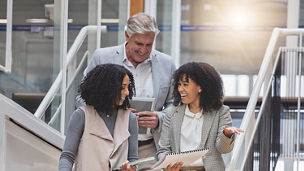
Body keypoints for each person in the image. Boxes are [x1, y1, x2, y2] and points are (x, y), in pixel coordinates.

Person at [77, 12, 176, 170]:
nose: (143, 50)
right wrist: (110, 110)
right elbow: (81, 98)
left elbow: (174, 104)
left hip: (148, 146)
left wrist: (160, 117)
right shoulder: (102, 57)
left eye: (149, 45)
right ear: (126, 36)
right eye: (138, 44)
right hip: (109, 145)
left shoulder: (167, 64)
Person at [157, 62, 244, 171]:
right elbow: (163, 150)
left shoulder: (221, 112)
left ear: (201, 87)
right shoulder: (171, 113)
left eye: (185, 84)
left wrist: (226, 134)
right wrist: (168, 165)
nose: (180, 89)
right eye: (179, 84)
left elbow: (224, 149)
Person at [59, 64, 138, 171]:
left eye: (128, 87)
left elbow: (133, 160)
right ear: (106, 88)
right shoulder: (82, 115)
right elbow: (67, 156)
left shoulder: (130, 119)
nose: (127, 92)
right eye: (122, 87)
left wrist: (132, 169)